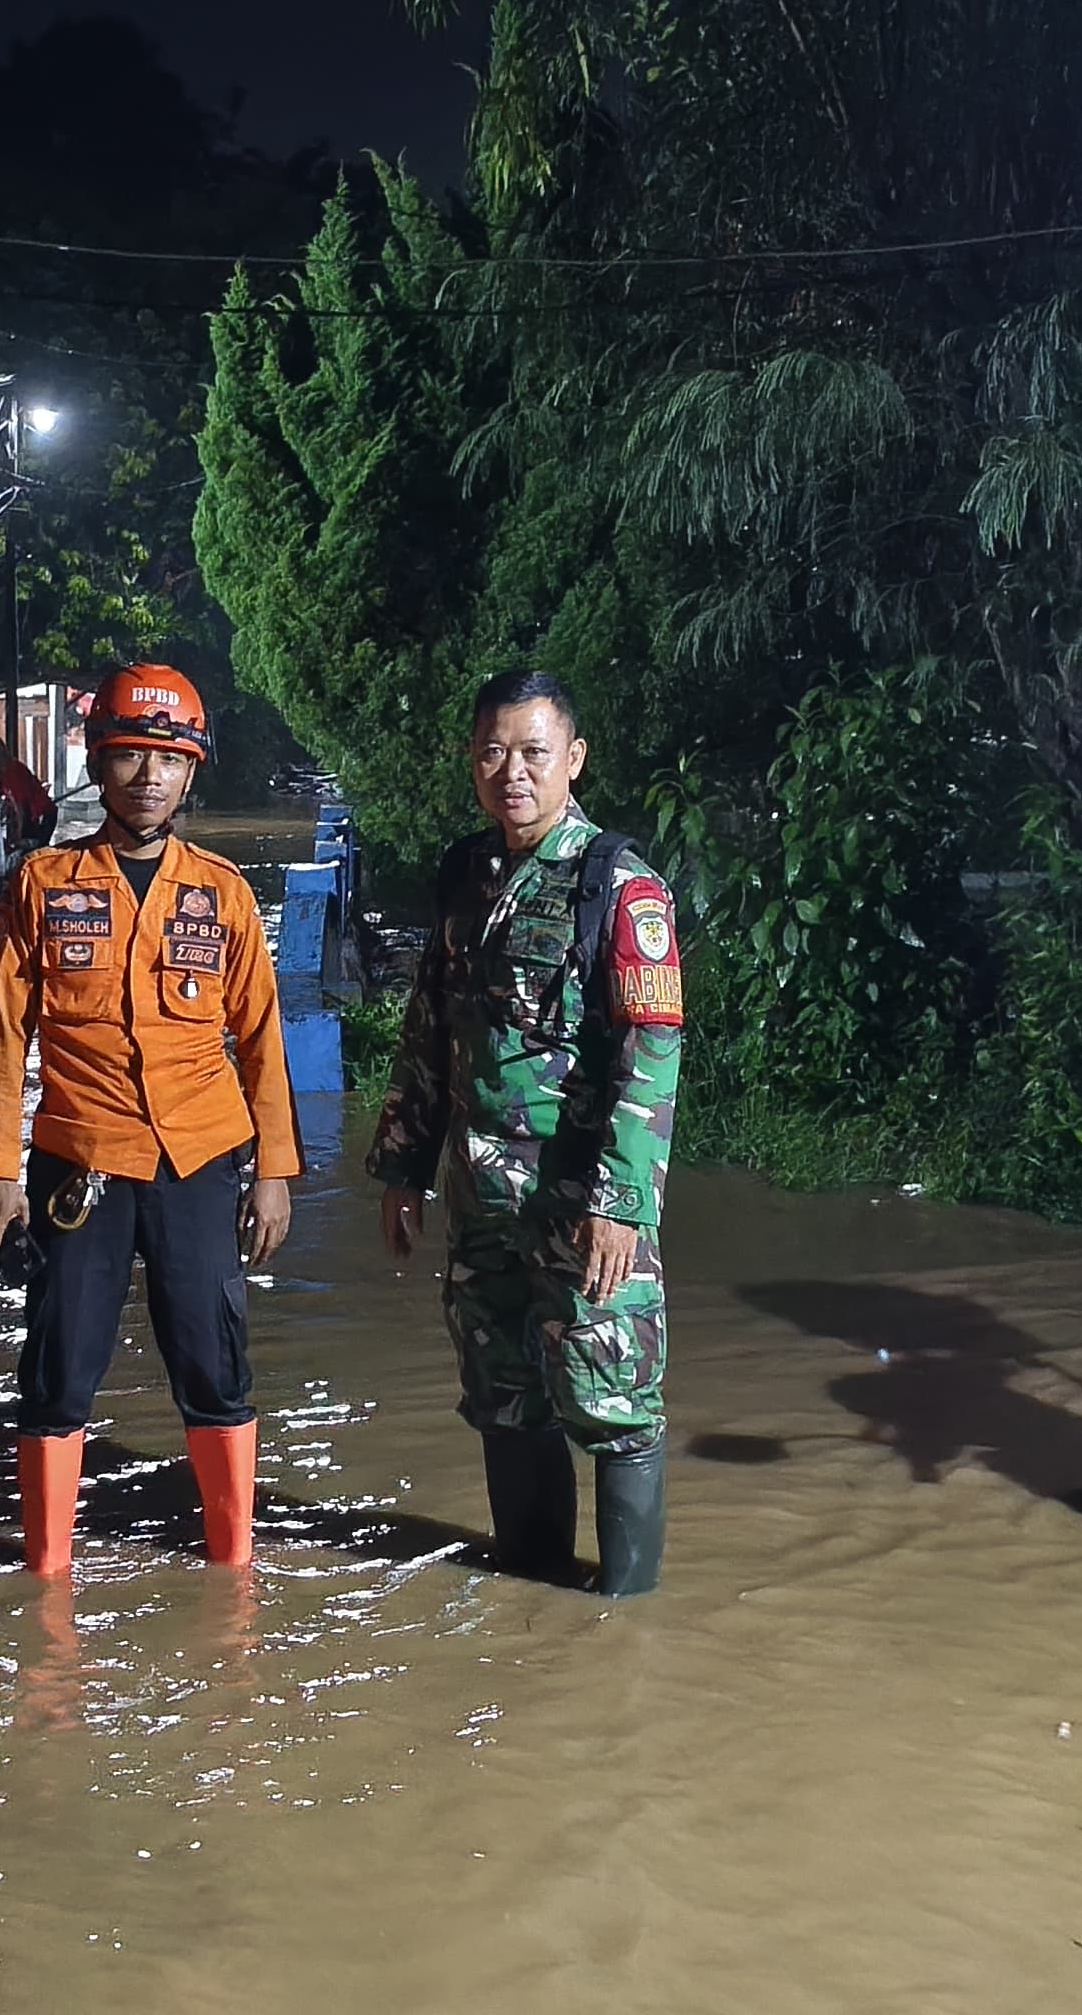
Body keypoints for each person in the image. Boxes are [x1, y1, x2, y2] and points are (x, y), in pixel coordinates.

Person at [0, 663, 300, 1576]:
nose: (149, 775)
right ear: (99, 762)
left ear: (193, 772)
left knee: (214, 1363)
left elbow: (263, 1038)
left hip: (201, 1162)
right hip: (80, 1162)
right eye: (130, 756)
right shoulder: (42, 885)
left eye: (168, 759)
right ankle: (47, 1579)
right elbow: (1, 1037)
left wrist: (274, 1171)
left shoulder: (224, 893)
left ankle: (234, 1571)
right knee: (58, 1366)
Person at [370, 669, 685, 1598]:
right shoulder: (468, 876)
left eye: (534, 752)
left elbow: (650, 1049)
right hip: (480, 1196)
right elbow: (431, 1027)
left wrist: (623, 1203)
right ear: (472, 762)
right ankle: (534, 1610)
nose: (513, 771)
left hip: (579, 1198)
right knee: (505, 1394)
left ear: (574, 760)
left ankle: (628, 1625)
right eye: (493, 752)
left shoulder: (619, 886)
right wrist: (402, 1166)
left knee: (613, 1394)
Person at [0, 733, 59, 853]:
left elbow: (21, 806)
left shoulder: (14, 771)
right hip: (28, 815)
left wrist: (18, 835)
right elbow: (8, 801)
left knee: (33, 854)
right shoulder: (1, 773)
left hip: (41, 816)